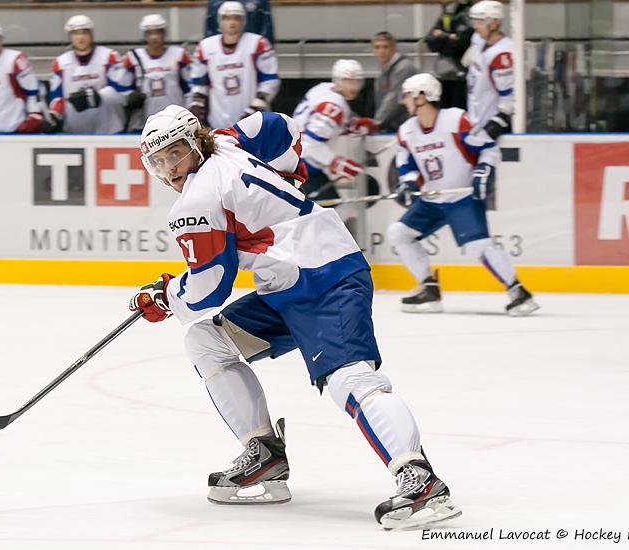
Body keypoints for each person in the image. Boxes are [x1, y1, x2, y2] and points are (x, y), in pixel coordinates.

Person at [129, 105, 462, 530]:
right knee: (207, 341)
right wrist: (288, 174)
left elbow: (209, 287)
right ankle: (264, 454)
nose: (168, 169)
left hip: (326, 277)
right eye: (156, 161)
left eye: (175, 153)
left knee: (351, 380)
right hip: (286, 288)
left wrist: (164, 297)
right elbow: (281, 126)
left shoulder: (195, 201)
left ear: (195, 141)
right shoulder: (228, 141)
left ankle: (419, 479)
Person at [387, 73, 538, 316]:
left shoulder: (456, 120)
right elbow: (406, 166)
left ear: (422, 96)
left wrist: (483, 171)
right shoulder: (406, 131)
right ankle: (429, 289)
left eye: (407, 95)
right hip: (432, 200)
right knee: (399, 233)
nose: (404, 101)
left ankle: (518, 293)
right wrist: (408, 184)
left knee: (479, 245)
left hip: (462, 199)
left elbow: (488, 149)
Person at [292, 59, 377, 202]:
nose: (354, 86)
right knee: (327, 211)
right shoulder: (334, 106)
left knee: (325, 210)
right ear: (338, 80)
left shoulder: (323, 88)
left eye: (357, 81)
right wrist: (337, 163)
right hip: (302, 164)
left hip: (297, 159)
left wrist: (351, 124)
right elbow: (310, 143)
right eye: (348, 81)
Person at [188, 1, 280, 129]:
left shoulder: (258, 44)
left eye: (236, 18)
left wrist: (256, 106)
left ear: (243, 21)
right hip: (217, 121)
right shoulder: (205, 47)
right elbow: (199, 84)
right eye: (227, 18)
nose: (232, 22)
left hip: (254, 123)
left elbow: (270, 82)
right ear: (219, 20)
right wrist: (198, 105)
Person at [45, 15, 132, 134]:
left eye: (84, 32)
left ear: (91, 34)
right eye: (75, 33)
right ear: (70, 37)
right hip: (76, 130)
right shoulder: (60, 63)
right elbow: (57, 97)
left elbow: (123, 93)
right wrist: (54, 115)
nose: (80, 37)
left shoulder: (109, 57)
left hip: (109, 129)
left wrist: (98, 96)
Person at [123, 14, 191, 132]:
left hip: (176, 119)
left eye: (158, 32)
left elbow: (189, 88)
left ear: (164, 34)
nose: (154, 37)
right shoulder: (134, 57)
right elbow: (123, 89)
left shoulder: (178, 55)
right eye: (150, 33)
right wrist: (130, 97)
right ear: (145, 35)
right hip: (144, 121)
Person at [466, 0, 514, 141]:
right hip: (473, 121)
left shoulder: (503, 53)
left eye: (480, 22)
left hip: (488, 124)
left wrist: (498, 121)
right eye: (474, 22)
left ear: (494, 23)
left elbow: (508, 97)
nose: (475, 27)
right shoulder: (477, 40)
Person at [424, 0, 474, 109]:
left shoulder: (467, 13)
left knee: (460, 113)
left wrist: (441, 36)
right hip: (445, 74)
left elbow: (461, 43)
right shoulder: (447, 12)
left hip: (461, 76)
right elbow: (429, 41)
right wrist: (449, 36)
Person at [369, 32, 419, 133]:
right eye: (377, 47)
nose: (381, 51)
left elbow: (393, 100)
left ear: (394, 48)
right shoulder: (384, 70)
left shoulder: (404, 68)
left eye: (385, 47)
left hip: (411, 128)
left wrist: (375, 124)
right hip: (397, 127)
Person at [204, 0, 275, 45]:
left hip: (251, 48)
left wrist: (268, 47)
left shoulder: (260, 2)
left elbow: (267, 25)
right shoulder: (214, 2)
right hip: (222, 50)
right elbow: (209, 28)